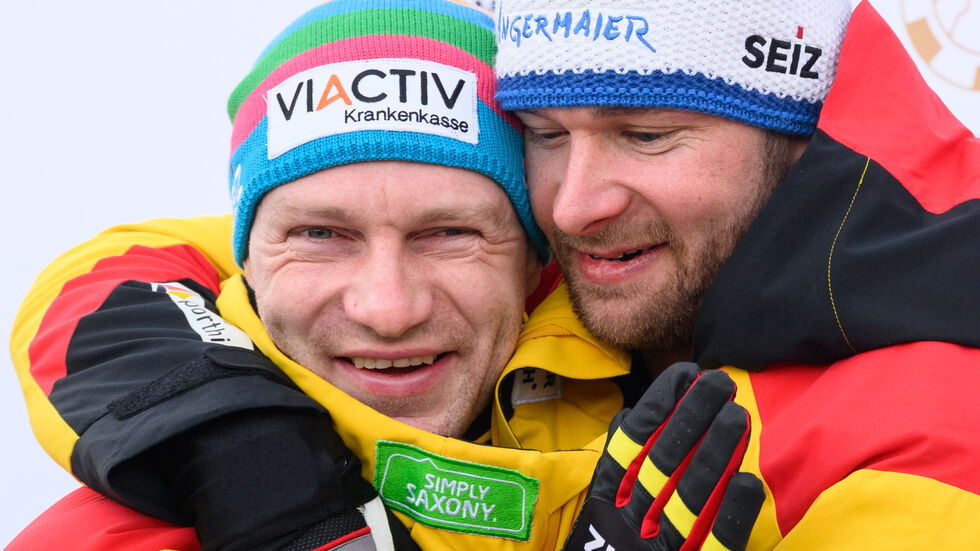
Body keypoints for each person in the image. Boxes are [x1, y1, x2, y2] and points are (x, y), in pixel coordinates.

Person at [8, 1, 757, 550]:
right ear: (246, 259)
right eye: (321, 235)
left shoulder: (713, 433)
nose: (389, 309)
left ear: (538, 257)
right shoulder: (106, 535)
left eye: (450, 234)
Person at [492, 0, 980, 548]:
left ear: (801, 133)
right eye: (545, 134)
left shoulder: (941, 435)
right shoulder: (491, 311)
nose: (572, 209)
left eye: (647, 135)